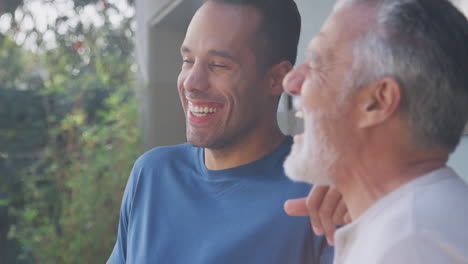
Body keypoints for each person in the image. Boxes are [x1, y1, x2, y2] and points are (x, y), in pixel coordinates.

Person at [107, 0, 346, 263]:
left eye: (218, 65)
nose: (192, 82)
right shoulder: (152, 175)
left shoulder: (321, 196)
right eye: (187, 60)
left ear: (277, 79)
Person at [283, 0, 468, 263]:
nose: (291, 81)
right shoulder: (420, 223)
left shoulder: (409, 245)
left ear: (377, 101)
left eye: (316, 62)